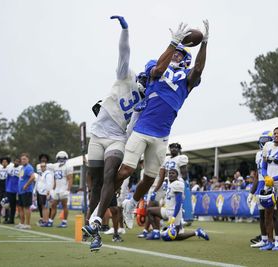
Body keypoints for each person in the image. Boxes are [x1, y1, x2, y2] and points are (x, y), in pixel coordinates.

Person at [85, 20, 209, 251]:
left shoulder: (187, 80)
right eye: (175, 53)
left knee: (150, 178)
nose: (177, 56)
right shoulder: (157, 68)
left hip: (163, 134)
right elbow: (158, 69)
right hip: (142, 128)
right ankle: (97, 215)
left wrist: (205, 44)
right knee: (125, 171)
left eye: (181, 54)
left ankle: (131, 203)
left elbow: (199, 70)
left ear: (186, 59)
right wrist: (173, 43)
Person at [83, 16, 146, 233]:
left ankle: (98, 220)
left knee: (110, 175)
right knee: (96, 183)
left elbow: (135, 123)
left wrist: (128, 145)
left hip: (117, 137)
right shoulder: (126, 76)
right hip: (98, 135)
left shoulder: (144, 100)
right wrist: (125, 30)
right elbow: (124, 52)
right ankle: (89, 222)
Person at [138, 142, 189, 237]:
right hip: (167, 186)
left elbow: (184, 174)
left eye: (176, 147)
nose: (173, 149)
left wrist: (182, 183)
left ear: (179, 149)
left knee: (176, 205)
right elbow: (161, 177)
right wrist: (155, 190)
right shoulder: (166, 159)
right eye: (172, 147)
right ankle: (155, 230)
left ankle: (179, 226)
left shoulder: (181, 158)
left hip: (177, 185)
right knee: (163, 206)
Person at [145, 169, 209, 241]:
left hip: (174, 213)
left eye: (173, 173)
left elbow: (179, 203)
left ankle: (197, 232)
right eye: (170, 173)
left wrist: (174, 217)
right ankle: (156, 232)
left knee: (174, 237)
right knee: (149, 211)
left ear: (177, 176)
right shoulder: (170, 184)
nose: (171, 174)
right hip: (167, 210)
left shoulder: (178, 184)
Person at [248, 131, 278, 248]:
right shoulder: (258, 155)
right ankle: (264, 239)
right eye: (262, 141)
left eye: (266, 141)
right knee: (262, 216)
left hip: (271, 183)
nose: (263, 143)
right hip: (261, 186)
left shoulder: (275, 151)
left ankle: (277, 240)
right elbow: (258, 174)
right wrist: (252, 192)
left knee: (274, 215)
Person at [49, 151, 73, 228]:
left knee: (64, 206)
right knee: (53, 205)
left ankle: (64, 222)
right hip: (57, 189)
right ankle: (50, 221)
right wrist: (53, 188)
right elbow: (55, 178)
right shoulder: (55, 166)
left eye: (63, 158)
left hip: (64, 189)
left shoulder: (68, 166)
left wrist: (68, 189)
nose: (61, 160)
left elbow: (70, 179)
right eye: (60, 158)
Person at [16, 153, 36, 229]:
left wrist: (26, 185)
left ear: (28, 159)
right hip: (21, 191)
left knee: (26, 207)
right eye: (22, 159)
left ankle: (28, 224)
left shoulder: (29, 167)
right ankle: (22, 223)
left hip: (27, 191)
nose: (23, 160)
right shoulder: (22, 168)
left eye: (24, 159)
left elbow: (33, 177)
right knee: (20, 207)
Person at [36, 162, 54, 226]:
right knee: (43, 207)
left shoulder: (48, 174)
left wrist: (48, 193)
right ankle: (44, 220)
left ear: (46, 167)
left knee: (46, 207)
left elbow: (49, 184)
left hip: (45, 193)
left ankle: (46, 221)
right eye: (41, 166)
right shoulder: (43, 174)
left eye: (43, 166)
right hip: (41, 192)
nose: (42, 168)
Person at [5, 158, 20, 224]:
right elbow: (7, 179)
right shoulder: (9, 168)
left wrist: (19, 189)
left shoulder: (20, 169)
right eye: (15, 161)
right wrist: (6, 188)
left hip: (16, 190)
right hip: (9, 189)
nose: (16, 162)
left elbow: (20, 179)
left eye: (18, 161)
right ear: (13, 161)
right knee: (8, 204)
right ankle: (7, 218)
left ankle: (11, 219)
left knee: (13, 205)